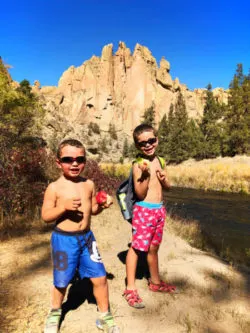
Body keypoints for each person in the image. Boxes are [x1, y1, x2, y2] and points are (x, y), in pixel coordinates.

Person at [42, 139, 119, 333]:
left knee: (100, 277)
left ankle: (105, 316)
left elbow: (92, 210)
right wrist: (62, 207)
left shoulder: (89, 184)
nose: (74, 163)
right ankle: (55, 312)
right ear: (58, 162)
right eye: (68, 159)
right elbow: (45, 216)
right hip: (63, 240)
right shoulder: (54, 187)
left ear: (85, 161)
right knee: (62, 281)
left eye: (80, 159)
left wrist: (101, 205)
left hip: (87, 238)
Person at [123, 124, 177, 308]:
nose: (148, 145)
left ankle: (155, 283)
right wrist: (145, 176)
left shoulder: (160, 161)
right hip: (144, 210)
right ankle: (130, 288)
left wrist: (164, 180)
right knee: (137, 248)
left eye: (151, 140)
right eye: (142, 143)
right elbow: (139, 193)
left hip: (159, 210)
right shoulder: (138, 165)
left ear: (157, 140)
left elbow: (168, 187)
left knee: (153, 248)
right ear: (138, 146)